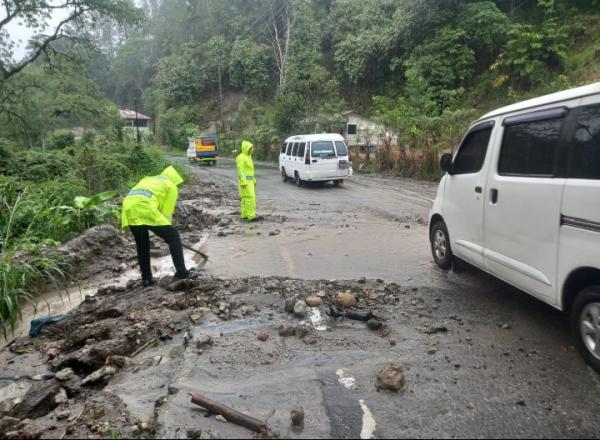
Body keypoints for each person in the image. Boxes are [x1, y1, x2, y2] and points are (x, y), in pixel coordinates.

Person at [122, 166, 189, 286]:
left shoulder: (149, 179)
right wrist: (169, 234)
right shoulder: (171, 186)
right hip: (146, 208)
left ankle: (146, 278)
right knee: (173, 236)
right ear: (175, 179)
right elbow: (166, 213)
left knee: (142, 245)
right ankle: (182, 272)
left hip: (129, 207)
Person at [235, 140, 261, 222]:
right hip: (245, 182)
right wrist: (243, 181)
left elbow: (250, 171)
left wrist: (253, 180)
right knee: (250, 197)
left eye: (251, 149)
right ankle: (251, 216)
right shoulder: (241, 157)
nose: (251, 150)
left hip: (248, 181)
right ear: (245, 148)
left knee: (245, 198)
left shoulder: (248, 157)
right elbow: (240, 171)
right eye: (250, 149)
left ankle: (245, 214)